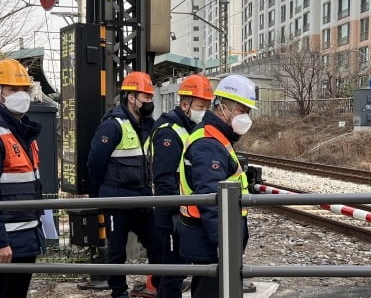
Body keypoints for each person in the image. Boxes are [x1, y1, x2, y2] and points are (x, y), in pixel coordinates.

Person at [178, 75, 256, 298]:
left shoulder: (217, 137)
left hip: (211, 236)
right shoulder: (208, 143)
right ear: (223, 108)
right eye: (243, 111)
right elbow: (211, 198)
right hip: (209, 239)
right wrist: (225, 243)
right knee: (209, 291)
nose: (246, 118)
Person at [87, 71, 163, 298]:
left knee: (158, 245)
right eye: (146, 97)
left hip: (141, 198)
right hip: (117, 200)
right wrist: (105, 192)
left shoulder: (147, 125)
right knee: (116, 252)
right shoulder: (113, 126)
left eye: (150, 97)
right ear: (131, 98)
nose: (150, 102)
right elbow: (95, 164)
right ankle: (119, 293)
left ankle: (159, 284)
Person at [147, 74, 213, 298]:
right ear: (185, 104)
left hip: (183, 211)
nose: (204, 110)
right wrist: (177, 210)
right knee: (173, 273)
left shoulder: (187, 128)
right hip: (172, 214)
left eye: (207, 106)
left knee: (179, 268)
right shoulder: (169, 131)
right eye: (200, 106)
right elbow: (164, 178)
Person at [0, 59, 45, 298]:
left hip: (26, 237)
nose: (21, 95)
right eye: (12, 89)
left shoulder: (24, 132)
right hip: (7, 241)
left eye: (24, 89)